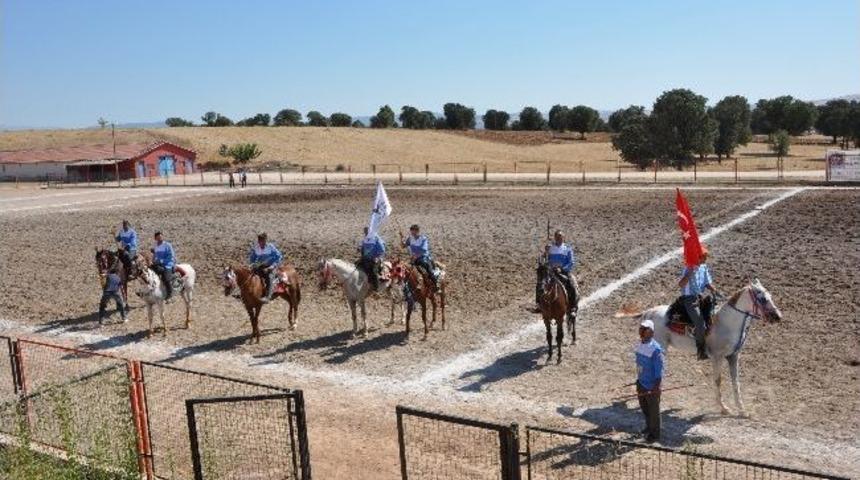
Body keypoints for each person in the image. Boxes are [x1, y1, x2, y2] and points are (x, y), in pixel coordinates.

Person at [678, 247, 719, 360]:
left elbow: (706, 282)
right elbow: (681, 284)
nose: (706, 260)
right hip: (689, 298)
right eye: (704, 258)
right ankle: (701, 350)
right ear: (698, 257)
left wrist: (713, 289)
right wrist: (690, 273)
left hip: (700, 296)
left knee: (713, 315)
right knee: (700, 323)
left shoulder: (704, 267)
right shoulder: (688, 268)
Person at [534, 230, 578, 315]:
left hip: (563, 272)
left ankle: (573, 306)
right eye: (557, 237)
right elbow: (543, 259)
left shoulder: (567, 249)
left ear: (563, 238)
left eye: (560, 237)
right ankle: (538, 304)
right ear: (554, 238)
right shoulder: (550, 248)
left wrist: (562, 269)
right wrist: (545, 252)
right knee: (540, 284)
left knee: (571, 285)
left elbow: (571, 262)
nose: (559, 238)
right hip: (551, 272)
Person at [635, 319, 664, 443]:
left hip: (651, 385)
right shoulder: (640, 344)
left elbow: (659, 370)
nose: (642, 331)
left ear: (651, 333)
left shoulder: (656, 350)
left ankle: (655, 434)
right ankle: (648, 427)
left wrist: (656, 387)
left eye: (645, 329)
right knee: (645, 408)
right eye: (641, 328)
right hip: (641, 383)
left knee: (654, 411)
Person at [248, 232, 284, 303]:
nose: (261, 242)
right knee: (249, 275)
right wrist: (253, 264)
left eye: (262, 240)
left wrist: (272, 266)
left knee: (269, 277)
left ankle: (268, 297)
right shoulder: (256, 248)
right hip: (259, 266)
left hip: (270, 266)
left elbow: (279, 257)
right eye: (259, 240)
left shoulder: (270, 247)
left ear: (265, 240)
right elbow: (252, 258)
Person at [400, 224, 437, 290]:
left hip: (422, 257)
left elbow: (423, 250)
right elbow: (403, 246)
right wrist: (401, 238)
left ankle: (435, 284)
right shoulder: (410, 238)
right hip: (413, 259)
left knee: (427, 267)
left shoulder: (423, 239)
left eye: (413, 232)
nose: (412, 233)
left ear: (417, 231)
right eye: (411, 232)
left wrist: (416, 256)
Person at [150, 231, 177, 302]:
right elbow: (155, 256)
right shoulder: (155, 246)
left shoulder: (167, 245)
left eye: (161, 237)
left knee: (166, 278)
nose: (160, 238)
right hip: (158, 264)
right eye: (158, 237)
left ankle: (170, 295)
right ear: (155, 238)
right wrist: (152, 261)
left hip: (168, 264)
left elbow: (171, 256)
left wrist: (161, 261)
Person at [358, 227, 386, 291]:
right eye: (365, 232)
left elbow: (382, 250)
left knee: (373, 271)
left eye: (367, 232)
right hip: (365, 258)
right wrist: (359, 248)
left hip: (375, 259)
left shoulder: (376, 239)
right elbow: (361, 247)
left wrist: (377, 257)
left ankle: (376, 287)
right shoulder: (365, 239)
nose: (366, 234)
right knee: (356, 266)